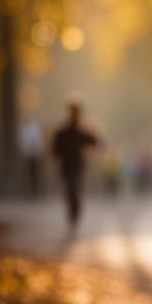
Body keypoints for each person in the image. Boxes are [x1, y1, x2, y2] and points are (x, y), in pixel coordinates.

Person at [50, 94, 101, 230]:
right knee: (69, 188)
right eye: (73, 109)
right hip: (66, 165)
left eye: (77, 110)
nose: (75, 112)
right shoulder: (63, 130)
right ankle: (72, 210)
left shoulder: (82, 130)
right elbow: (55, 148)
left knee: (75, 188)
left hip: (78, 166)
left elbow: (95, 142)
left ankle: (75, 211)